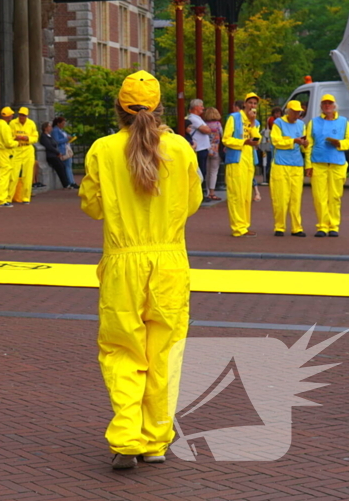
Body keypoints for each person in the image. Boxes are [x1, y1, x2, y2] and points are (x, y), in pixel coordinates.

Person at [79, 71, 203, 470]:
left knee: (121, 351)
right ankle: (155, 439)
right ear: (161, 109)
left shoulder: (102, 149)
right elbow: (193, 203)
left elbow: (92, 206)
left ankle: (127, 436)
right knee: (164, 353)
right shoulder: (181, 148)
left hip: (122, 262)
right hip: (169, 262)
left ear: (119, 108)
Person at [305, 94, 349, 238]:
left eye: (330, 103)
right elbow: (308, 145)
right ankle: (322, 226)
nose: (327, 106)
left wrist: (340, 143)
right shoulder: (313, 122)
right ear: (321, 106)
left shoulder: (343, 122)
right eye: (324, 103)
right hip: (318, 163)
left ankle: (334, 226)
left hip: (337, 163)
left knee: (335, 196)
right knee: (319, 197)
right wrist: (308, 165)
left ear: (334, 106)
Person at [222, 93, 261, 237]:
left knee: (246, 195)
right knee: (236, 194)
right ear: (244, 104)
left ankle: (245, 225)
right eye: (250, 102)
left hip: (248, 160)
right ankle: (238, 227)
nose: (252, 106)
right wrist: (242, 142)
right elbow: (226, 139)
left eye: (255, 104)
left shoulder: (255, 122)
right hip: (236, 160)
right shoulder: (234, 118)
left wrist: (252, 123)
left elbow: (257, 139)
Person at [270, 100, 308, 237]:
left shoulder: (301, 124)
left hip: (297, 164)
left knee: (296, 197)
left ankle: (296, 227)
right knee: (281, 197)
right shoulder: (278, 123)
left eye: (299, 112)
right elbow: (276, 141)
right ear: (288, 111)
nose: (297, 114)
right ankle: (279, 226)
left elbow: (305, 144)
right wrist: (293, 141)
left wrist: (305, 143)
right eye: (295, 111)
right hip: (281, 164)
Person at [9, 107, 40, 204]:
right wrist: (16, 137)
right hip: (17, 148)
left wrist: (27, 138)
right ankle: (9, 197)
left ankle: (26, 197)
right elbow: (9, 135)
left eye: (24, 115)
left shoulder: (31, 124)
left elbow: (35, 137)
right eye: (20, 115)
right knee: (13, 174)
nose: (22, 117)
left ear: (27, 115)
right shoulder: (13, 123)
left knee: (27, 174)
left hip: (28, 149)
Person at [0, 107, 17, 207]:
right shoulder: (5, 126)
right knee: (4, 177)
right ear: (9, 116)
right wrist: (16, 142)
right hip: (4, 153)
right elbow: (8, 143)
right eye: (11, 114)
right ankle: (2, 200)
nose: (12, 116)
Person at [186, 99, 211, 190]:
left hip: (202, 148)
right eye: (201, 106)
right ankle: (200, 191)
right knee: (201, 171)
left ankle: (202, 191)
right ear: (196, 107)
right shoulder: (193, 118)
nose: (203, 108)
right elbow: (207, 130)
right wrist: (207, 128)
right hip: (199, 148)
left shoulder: (198, 118)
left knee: (203, 170)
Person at [39, 121, 71, 188]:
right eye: (49, 126)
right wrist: (58, 153)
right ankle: (66, 184)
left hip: (54, 154)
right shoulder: (44, 136)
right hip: (50, 155)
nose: (51, 127)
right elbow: (49, 146)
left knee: (62, 166)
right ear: (45, 128)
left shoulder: (49, 136)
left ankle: (67, 183)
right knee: (60, 166)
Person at [203, 106, 223, 201]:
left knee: (206, 171)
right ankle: (212, 192)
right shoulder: (218, 124)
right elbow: (223, 135)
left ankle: (206, 191)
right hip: (216, 149)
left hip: (206, 148)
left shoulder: (204, 124)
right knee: (214, 171)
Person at [52, 116, 79, 189]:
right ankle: (70, 182)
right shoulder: (55, 130)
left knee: (68, 167)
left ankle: (72, 182)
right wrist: (66, 139)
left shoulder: (62, 130)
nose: (64, 125)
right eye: (63, 123)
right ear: (58, 123)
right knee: (67, 167)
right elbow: (56, 141)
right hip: (62, 150)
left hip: (66, 149)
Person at [262, 106, 283, 186]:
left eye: (279, 113)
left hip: (273, 142)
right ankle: (268, 175)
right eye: (276, 113)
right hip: (270, 142)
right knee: (270, 159)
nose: (278, 115)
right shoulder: (272, 120)